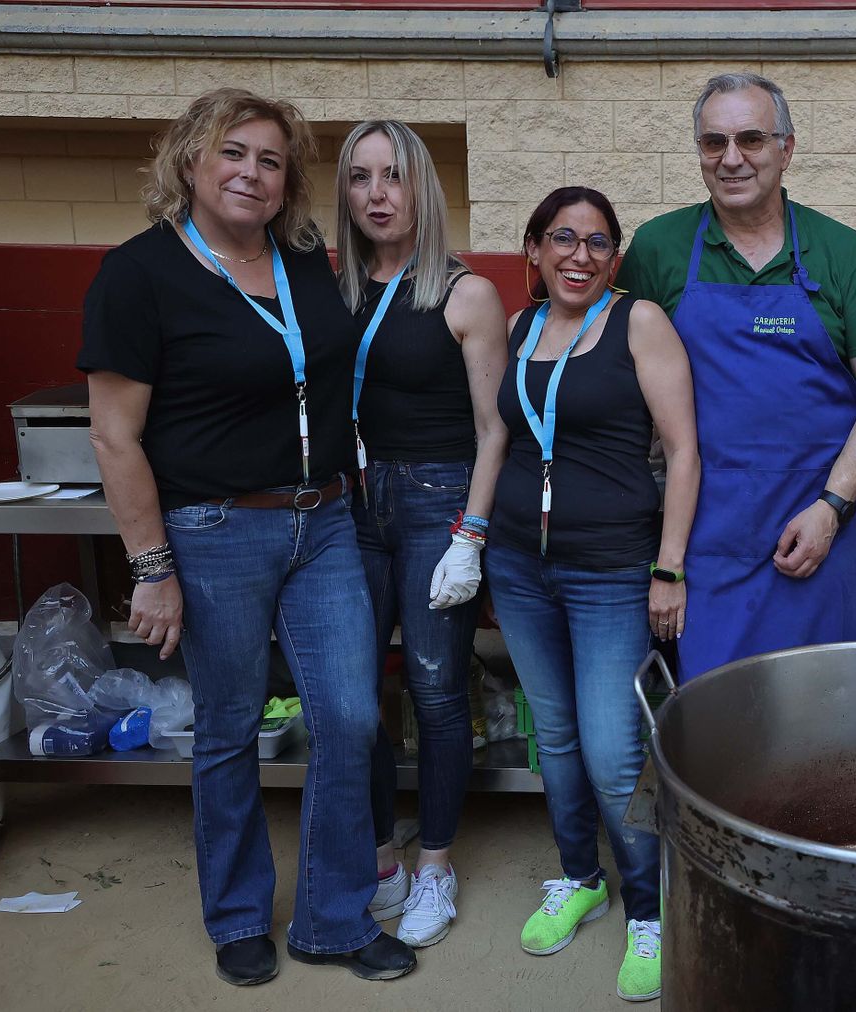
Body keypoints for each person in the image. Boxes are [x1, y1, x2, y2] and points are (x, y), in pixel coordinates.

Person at [79, 89, 414, 984]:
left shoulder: (301, 257)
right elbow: (114, 438)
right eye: (232, 153)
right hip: (214, 529)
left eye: (270, 160)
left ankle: (334, 920)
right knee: (228, 727)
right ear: (190, 161)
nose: (251, 174)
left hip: (325, 520)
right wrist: (153, 568)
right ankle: (235, 916)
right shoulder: (139, 274)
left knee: (349, 717)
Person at [617, 72, 856, 680]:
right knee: (715, 704)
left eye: (751, 139)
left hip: (818, 528)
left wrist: (832, 507)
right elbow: (624, 390)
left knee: (819, 704)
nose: (731, 159)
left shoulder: (843, 252)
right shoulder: (658, 248)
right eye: (713, 142)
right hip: (702, 533)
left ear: (786, 148)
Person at [484, 187, 698, 1002]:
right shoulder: (520, 327)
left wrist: (668, 567)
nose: (580, 255)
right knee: (558, 739)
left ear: (614, 256)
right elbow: (501, 438)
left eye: (598, 242)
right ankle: (580, 878)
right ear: (534, 248)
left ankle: (650, 909)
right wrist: (475, 540)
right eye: (563, 238)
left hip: (611, 570)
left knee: (613, 755)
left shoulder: (639, 322)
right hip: (519, 566)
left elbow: (683, 451)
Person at [333, 120, 506, 948]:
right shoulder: (335, 289)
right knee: (353, 694)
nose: (378, 194)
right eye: (361, 177)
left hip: (441, 501)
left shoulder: (465, 293)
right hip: (353, 505)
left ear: (423, 188)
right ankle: (382, 857)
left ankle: (435, 865)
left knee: (435, 689)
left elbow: (495, 429)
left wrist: (472, 534)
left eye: (394, 176)